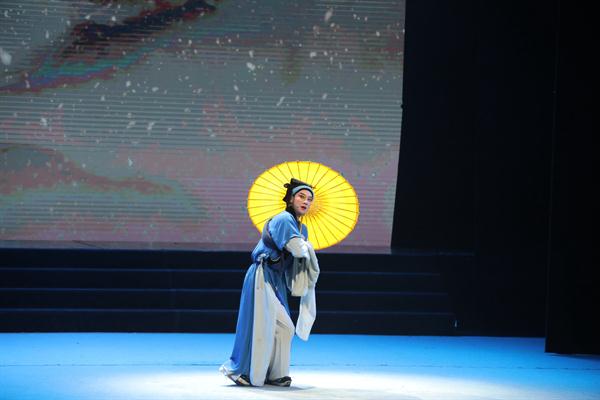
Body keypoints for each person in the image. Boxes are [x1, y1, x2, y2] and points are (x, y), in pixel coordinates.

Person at [220, 178, 319, 387]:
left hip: (276, 279)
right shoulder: (284, 219)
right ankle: (244, 372)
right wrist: (307, 247)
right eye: (301, 196)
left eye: (309, 199)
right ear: (290, 199)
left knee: (284, 328)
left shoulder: (302, 229)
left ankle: (276, 373)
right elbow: (298, 249)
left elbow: (296, 258)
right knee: (261, 325)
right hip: (262, 273)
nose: (306, 201)